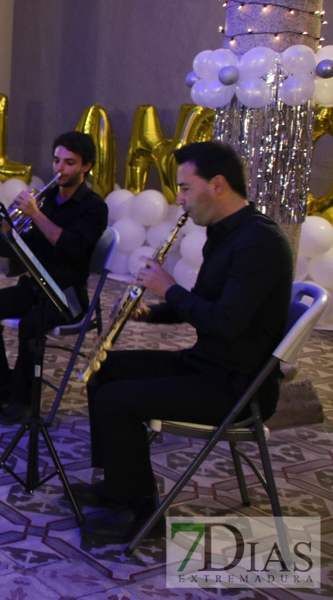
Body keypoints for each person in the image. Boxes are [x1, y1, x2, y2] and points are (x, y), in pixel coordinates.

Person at [78, 141, 293, 544]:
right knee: (105, 371)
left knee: (117, 401)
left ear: (217, 185)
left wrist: (169, 288)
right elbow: (204, 304)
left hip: (236, 386)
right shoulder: (224, 234)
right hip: (207, 364)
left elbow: (225, 322)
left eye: (185, 188)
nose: (180, 199)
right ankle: (116, 488)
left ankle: (143, 511)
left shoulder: (258, 242)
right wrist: (150, 311)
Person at [0, 131, 108, 425]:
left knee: (32, 325)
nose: (59, 169)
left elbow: (71, 247)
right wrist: (9, 232)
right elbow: (27, 249)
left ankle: (24, 399)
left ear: (86, 166)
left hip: (67, 294)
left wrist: (35, 215)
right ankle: (3, 384)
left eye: (69, 163)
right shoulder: (46, 198)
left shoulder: (95, 207)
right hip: (34, 285)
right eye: (57, 160)